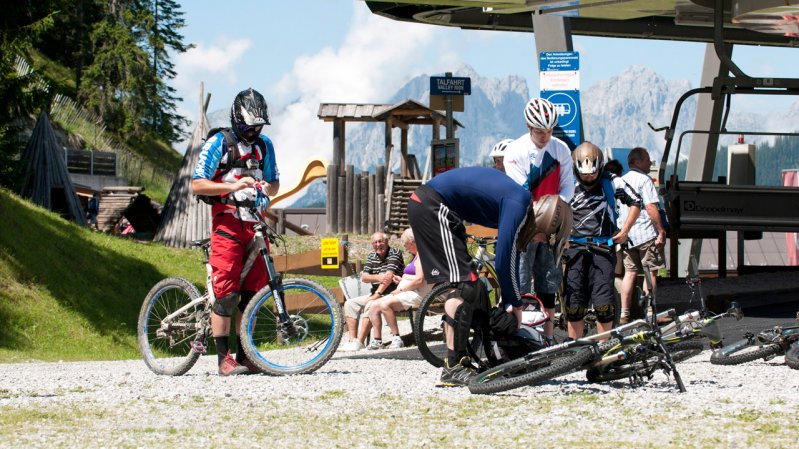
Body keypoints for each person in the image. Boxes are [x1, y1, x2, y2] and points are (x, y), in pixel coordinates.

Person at [408, 166, 567, 387]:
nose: (540, 242)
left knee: (475, 287)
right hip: (433, 205)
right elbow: (503, 261)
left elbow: (505, 257)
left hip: (437, 207)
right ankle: (453, 367)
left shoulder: (518, 203)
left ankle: (465, 357)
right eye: (546, 238)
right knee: (464, 284)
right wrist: (516, 304)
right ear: (545, 223)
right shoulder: (519, 204)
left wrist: (511, 301)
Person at [191, 88, 279, 376]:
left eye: (257, 126)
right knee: (226, 294)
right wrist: (231, 187)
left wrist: (267, 190)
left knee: (253, 292)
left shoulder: (265, 146)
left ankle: (245, 355)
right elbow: (198, 184)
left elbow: (274, 181)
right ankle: (222, 360)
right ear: (235, 119)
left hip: (255, 224)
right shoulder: (219, 142)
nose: (252, 131)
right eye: (247, 126)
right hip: (227, 225)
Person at [502, 97, 575, 342]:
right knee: (521, 283)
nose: (545, 136)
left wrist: (553, 217)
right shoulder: (516, 151)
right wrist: (536, 225)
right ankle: (520, 334)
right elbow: (520, 191)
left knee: (548, 282)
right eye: (539, 131)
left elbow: (568, 187)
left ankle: (548, 336)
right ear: (528, 126)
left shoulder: (560, 149)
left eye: (549, 130)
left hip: (552, 223)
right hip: (524, 223)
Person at [565, 142, 641, 340]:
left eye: (592, 173)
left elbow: (636, 202)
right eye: (584, 174)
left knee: (603, 302)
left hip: (603, 249)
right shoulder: (567, 182)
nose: (589, 178)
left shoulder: (612, 182)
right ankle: (575, 349)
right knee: (574, 303)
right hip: (574, 248)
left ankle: (605, 348)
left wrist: (625, 230)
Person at [618, 147, 667, 324]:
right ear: (637, 162)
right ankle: (649, 311)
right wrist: (660, 230)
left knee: (629, 273)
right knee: (650, 272)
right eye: (647, 160)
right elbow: (651, 208)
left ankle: (624, 313)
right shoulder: (645, 181)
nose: (649, 163)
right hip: (646, 233)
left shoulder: (621, 181)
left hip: (627, 235)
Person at [339, 232, 405, 352]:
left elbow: (389, 277)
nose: (378, 244)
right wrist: (379, 277)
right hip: (375, 293)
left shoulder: (394, 253)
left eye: (381, 241)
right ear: (372, 244)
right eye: (375, 242)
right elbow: (364, 277)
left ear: (386, 242)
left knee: (370, 304)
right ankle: (352, 340)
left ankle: (360, 341)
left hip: (392, 293)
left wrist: (377, 294)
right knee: (349, 304)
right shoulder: (371, 256)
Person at [367, 228, 430, 350]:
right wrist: (401, 280)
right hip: (408, 290)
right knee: (373, 305)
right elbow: (414, 278)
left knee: (385, 304)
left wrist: (401, 289)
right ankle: (377, 340)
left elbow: (419, 280)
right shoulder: (415, 256)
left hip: (416, 294)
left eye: (406, 244)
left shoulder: (422, 256)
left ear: (411, 242)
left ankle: (397, 338)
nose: (405, 248)